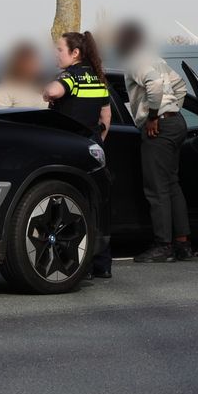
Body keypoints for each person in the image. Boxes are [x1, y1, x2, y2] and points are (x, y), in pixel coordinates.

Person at [115, 21, 192, 263]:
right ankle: (183, 244)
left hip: (159, 127)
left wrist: (154, 116)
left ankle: (163, 245)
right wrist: (172, 110)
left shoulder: (135, 61)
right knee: (171, 184)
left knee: (156, 189)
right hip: (177, 124)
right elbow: (180, 86)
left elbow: (154, 84)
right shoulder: (155, 58)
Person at [44, 31, 113, 279]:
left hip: (70, 150)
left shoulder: (71, 76)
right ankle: (102, 265)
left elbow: (54, 91)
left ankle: (78, 266)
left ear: (75, 53)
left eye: (59, 49)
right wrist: (97, 143)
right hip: (93, 149)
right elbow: (106, 117)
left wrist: (45, 92)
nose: (56, 53)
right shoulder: (97, 79)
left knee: (72, 208)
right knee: (97, 206)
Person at [0, 42, 48, 108]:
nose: (39, 65)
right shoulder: (4, 90)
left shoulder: (43, 85)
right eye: (33, 62)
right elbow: (0, 116)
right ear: (20, 64)